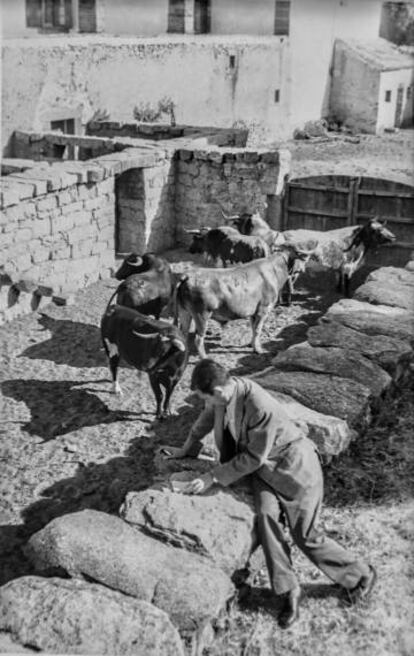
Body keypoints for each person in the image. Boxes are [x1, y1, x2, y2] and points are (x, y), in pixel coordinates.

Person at [163, 358, 377, 629]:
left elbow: (253, 456)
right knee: (266, 518)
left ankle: (360, 575)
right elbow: (206, 418)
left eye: (204, 397)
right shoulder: (223, 395)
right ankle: (289, 590)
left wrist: (211, 477)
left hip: (295, 467)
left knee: (305, 534)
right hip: (265, 471)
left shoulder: (258, 404)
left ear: (217, 392)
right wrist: (187, 448)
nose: (205, 403)